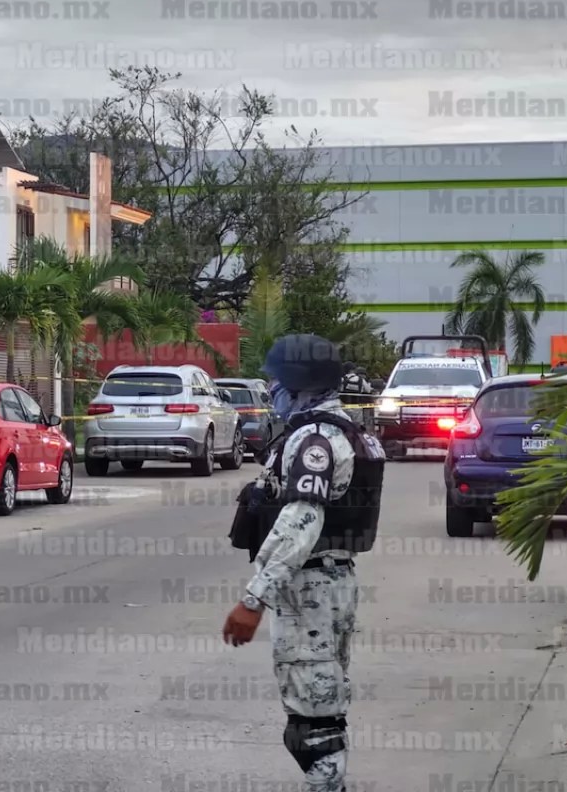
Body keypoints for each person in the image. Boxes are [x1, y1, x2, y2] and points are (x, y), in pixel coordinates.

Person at [223, 334, 360, 792]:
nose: (271, 390)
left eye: (277, 381)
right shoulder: (333, 428)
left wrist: (253, 599)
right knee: (319, 708)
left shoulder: (316, 439)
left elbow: (304, 518)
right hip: (323, 585)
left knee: (313, 727)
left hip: (312, 591)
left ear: (298, 382)